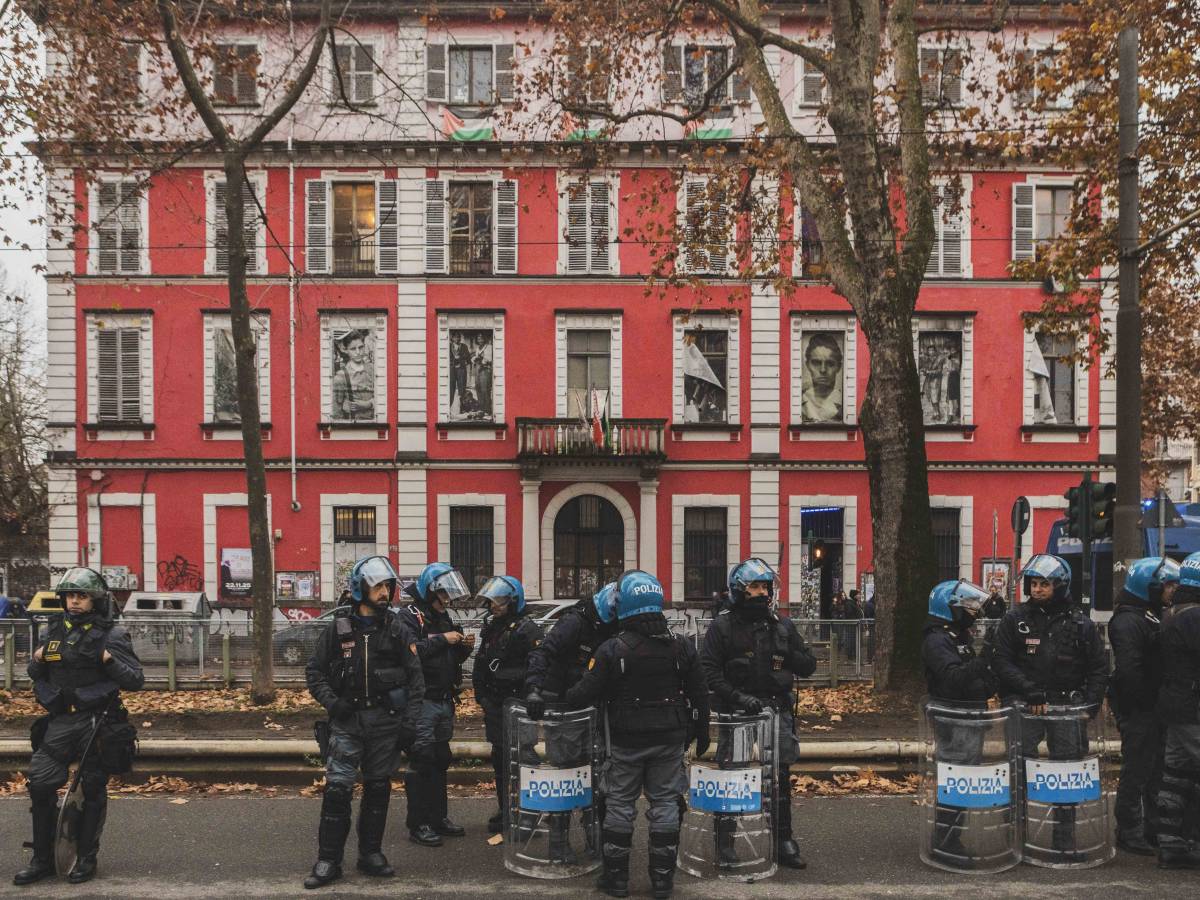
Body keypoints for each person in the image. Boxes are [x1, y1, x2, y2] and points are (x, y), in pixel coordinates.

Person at [565, 571, 709, 899]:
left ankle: (616, 881)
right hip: (670, 739)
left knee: (618, 804)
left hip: (624, 741)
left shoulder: (612, 649)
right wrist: (701, 731)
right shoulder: (681, 646)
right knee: (666, 805)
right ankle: (662, 882)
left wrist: (560, 693)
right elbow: (700, 692)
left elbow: (584, 693)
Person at [302, 555, 424, 890]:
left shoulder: (398, 630)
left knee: (378, 789)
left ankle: (370, 854)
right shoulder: (338, 629)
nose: (385, 592)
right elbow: (314, 672)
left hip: (385, 725)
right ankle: (328, 860)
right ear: (361, 588)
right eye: (378, 585)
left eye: (388, 585)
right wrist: (333, 703)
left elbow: (416, 682)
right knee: (338, 791)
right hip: (347, 723)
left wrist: (410, 725)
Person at [14, 568, 143, 886]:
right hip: (61, 722)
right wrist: (38, 661)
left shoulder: (111, 635)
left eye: (82, 595)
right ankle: (43, 859)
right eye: (70, 594)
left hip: (96, 723)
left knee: (93, 789)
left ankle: (86, 858)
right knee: (41, 785)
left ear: (95, 600)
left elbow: (136, 679)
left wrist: (109, 661)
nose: (74, 600)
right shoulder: (53, 633)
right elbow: (37, 674)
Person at [701, 558, 817, 871]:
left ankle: (782, 840)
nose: (763, 592)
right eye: (755, 586)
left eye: (766, 586)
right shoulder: (722, 626)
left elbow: (809, 665)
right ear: (740, 590)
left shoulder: (782, 624)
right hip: (738, 714)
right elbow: (709, 671)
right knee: (733, 777)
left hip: (776, 710)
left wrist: (790, 652)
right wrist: (737, 696)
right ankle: (725, 843)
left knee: (778, 777)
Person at [990, 554, 1108, 855]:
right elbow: (1001, 661)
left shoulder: (1080, 622)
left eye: (1045, 584)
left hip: (1067, 709)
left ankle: (1064, 842)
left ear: (1060, 585)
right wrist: (1030, 692)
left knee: (1066, 777)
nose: (1037, 589)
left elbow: (1098, 667)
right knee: (1019, 771)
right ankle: (1016, 841)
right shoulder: (1015, 619)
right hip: (1027, 705)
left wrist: (1089, 707)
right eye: (1034, 583)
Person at [524, 583, 618, 854]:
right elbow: (542, 653)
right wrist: (533, 689)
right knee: (564, 778)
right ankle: (558, 845)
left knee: (596, 780)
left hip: (594, 710)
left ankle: (594, 841)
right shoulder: (574, 623)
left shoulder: (612, 624)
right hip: (565, 710)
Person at [397, 562, 474, 847]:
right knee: (421, 761)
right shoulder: (409, 617)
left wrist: (462, 649)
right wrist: (444, 639)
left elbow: (448, 661)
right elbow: (412, 652)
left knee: (441, 760)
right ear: (432, 591)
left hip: (444, 701)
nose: (449, 599)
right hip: (422, 703)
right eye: (444, 593)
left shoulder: (445, 618)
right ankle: (418, 824)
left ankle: (438, 817)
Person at [1108, 556, 1180, 855]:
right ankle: (1129, 831)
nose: (1172, 592)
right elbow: (1130, 670)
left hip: (1153, 706)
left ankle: (1153, 828)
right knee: (1137, 770)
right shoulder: (1128, 620)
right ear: (1148, 587)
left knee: (1157, 771)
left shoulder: (1149, 615)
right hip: (1139, 709)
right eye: (1167, 586)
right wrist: (1146, 703)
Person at [921, 578, 996, 859]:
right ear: (949, 608)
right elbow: (953, 678)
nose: (973, 611)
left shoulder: (957, 636)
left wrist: (990, 678)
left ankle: (953, 838)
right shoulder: (936, 640)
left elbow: (974, 676)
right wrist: (985, 657)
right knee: (955, 782)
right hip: (954, 719)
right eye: (967, 606)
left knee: (963, 782)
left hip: (970, 716)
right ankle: (945, 843)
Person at [471, 576, 544, 836]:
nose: (493, 606)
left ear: (513, 601)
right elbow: (482, 661)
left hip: (519, 705)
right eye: (491, 601)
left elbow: (538, 664)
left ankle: (529, 813)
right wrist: (482, 695)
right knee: (501, 760)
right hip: (496, 704)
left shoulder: (527, 629)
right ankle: (507, 810)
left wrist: (532, 693)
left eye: (498, 601)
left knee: (524, 759)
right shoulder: (493, 627)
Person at [1154, 551, 1200, 869]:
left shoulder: (1173, 612)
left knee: (1176, 776)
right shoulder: (1195, 617)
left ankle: (1171, 844)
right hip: (1193, 709)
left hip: (1175, 705)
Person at [331, 329, 375, 421]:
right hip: (353, 425)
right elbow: (336, 413)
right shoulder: (341, 377)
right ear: (346, 350)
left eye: (361, 347)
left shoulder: (373, 369)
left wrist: (367, 404)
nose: (358, 352)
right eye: (353, 349)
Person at [800, 333, 843, 423]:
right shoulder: (799, 400)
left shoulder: (845, 403)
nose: (823, 370)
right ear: (808, 365)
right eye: (816, 363)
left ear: (838, 367)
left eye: (830, 363)